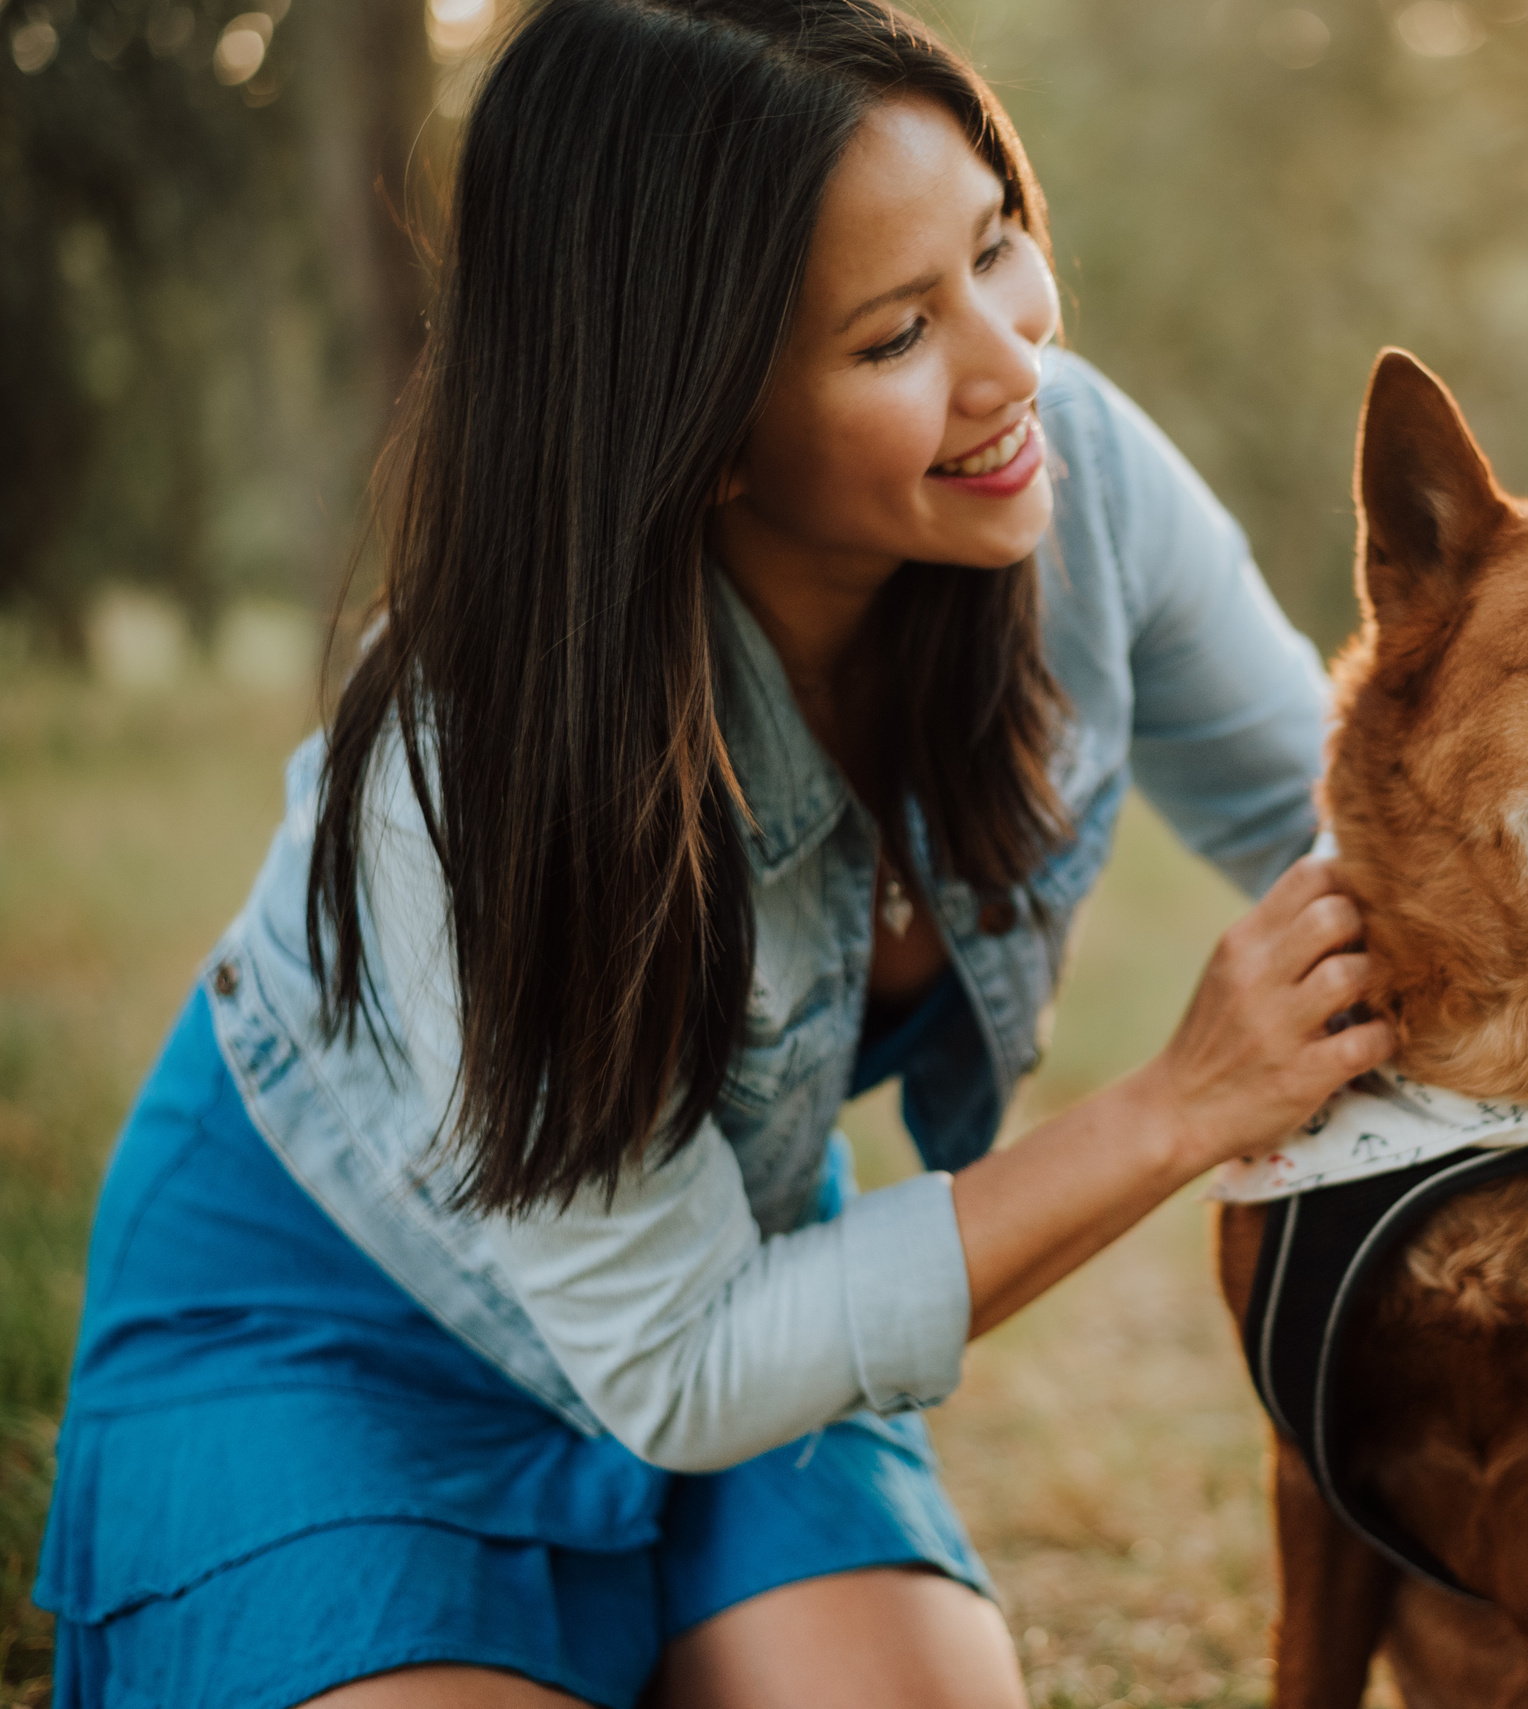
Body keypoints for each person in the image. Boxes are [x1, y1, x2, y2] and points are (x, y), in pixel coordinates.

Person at [32, 1, 1396, 1703]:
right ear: (705, 425)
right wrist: (1181, 1104)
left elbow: (1364, 830)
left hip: (720, 1255)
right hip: (341, 1315)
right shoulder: (469, 761)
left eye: (999, 245)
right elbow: (679, 1364)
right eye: (900, 332)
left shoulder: (1074, 476)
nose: (1010, 363)